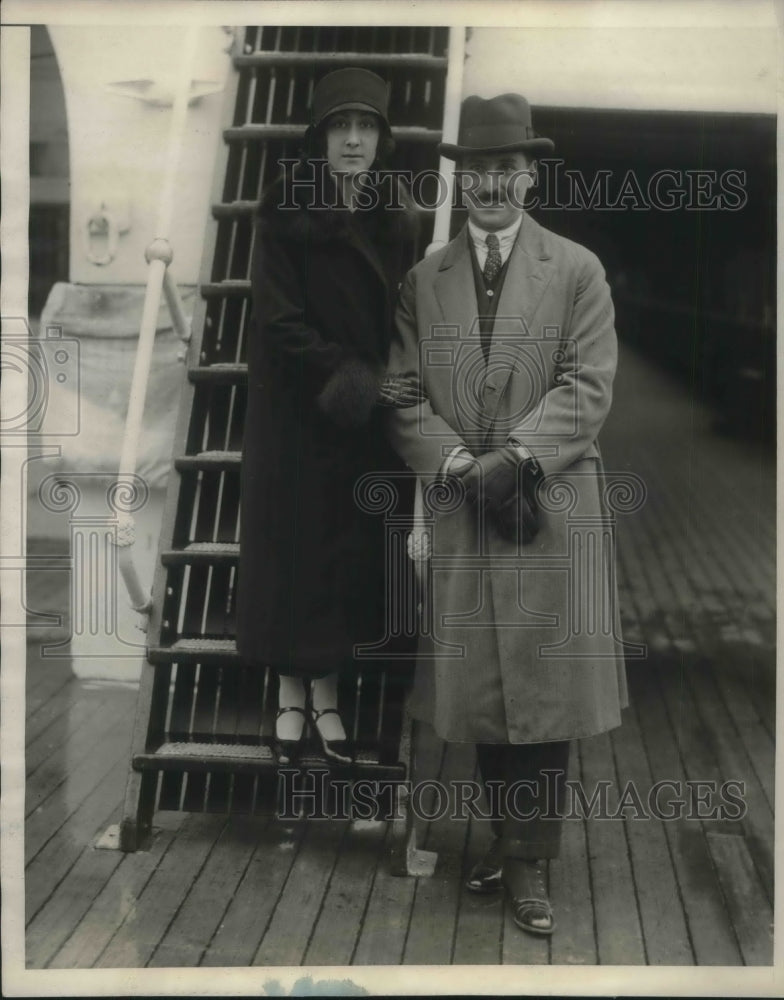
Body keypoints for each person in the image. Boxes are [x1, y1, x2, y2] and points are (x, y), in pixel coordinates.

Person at [384, 93, 628, 935]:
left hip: (548, 501)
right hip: (465, 504)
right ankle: (505, 837)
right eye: (477, 171)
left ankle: (529, 861)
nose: (491, 184)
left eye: (506, 170)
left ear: (529, 177)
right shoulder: (427, 280)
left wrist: (513, 460)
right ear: (462, 181)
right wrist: (457, 464)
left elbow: (588, 386)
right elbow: (403, 392)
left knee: (544, 683)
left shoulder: (578, 271)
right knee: (486, 683)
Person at [237, 68, 417, 767]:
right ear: (319, 140)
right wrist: (352, 380)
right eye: (339, 128)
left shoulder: (394, 217)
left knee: (345, 556)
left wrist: (391, 383)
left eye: (365, 128)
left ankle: (330, 699)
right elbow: (278, 322)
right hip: (297, 410)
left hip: (362, 413)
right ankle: (288, 695)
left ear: (382, 140)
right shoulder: (285, 210)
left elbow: (401, 310)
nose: (352, 141)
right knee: (294, 555)